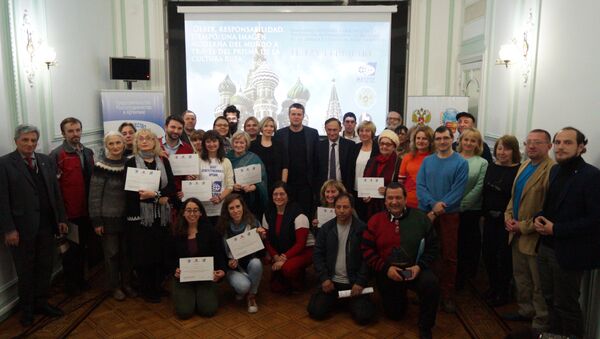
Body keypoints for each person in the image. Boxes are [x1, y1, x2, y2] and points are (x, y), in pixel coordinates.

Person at [534, 127, 600, 338]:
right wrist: (540, 216)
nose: (561, 147)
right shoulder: (555, 170)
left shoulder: (591, 176)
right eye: (558, 142)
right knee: (550, 300)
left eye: (568, 142)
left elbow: (595, 220)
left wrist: (557, 229)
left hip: (570, 252)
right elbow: (553, 207)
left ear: (581, 147)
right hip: (546, 246)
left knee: (567, 307)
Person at [0, 124, 68, 326]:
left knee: (45, 267)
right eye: (25, 140)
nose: (30, 144)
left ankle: (41, 303)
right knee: (26, 271)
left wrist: (61, 219)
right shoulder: (4, 164)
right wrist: (9, 229)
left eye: (33, 141)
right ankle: (27, 310)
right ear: (16, 141)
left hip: (47, 226)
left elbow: (56, 193)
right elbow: (2, 200)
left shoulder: (46, 161)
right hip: (21, 231)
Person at [362, 183, 440, 339]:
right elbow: (366, 250)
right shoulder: (375, 220)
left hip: (414, 270)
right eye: (390, 198)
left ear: (405, 199)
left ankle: (425, 326)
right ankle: (400, 296)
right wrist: (386, 269)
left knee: (431, 283)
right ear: (385, 201)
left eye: (398, 197)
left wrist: (419, 266)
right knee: (395, 314)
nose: (394, 202)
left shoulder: (421, 219)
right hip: (388, 272)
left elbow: (433, 248)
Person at [502, 129, 553, 334]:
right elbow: (514, 198)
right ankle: (525, 310)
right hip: (515, 232)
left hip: (534, 236)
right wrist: (508, 217)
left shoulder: (551, 170)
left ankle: (540, 323)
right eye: (528, 142)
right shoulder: (524, 165)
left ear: (549, 146)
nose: (531, 146)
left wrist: (522, 226)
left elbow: (548, 209)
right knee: (521, 276)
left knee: (538, 283)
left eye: (537, 143)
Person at [416, 125, 468, 313]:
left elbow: (458, 191)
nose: (441, 142)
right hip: (426, 213)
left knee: (448, 256)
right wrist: (431, 205)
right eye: (438, 139)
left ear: (452, 137)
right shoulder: (428, 161)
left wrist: (437, 210)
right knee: (425, 253)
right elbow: (420, 187)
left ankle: (447, 295)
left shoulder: (461, 162)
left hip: (448, 215)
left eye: (445, 138)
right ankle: (427, 291)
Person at [308, 193, 375, 325]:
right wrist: (324, 279)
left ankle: (346, 301)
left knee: (365, 317)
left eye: (346, 207)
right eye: (338, 207)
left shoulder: (362, 229)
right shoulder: (326, 228)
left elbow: (367, 259)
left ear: (352, 209)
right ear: (334, 208)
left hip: (354, 283)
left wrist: (360, 282)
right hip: (331, 282)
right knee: (315, 312)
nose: (342, 210)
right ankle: (341, 300)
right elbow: (317, 255)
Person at [125, 128, 175, 303]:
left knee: (160, 252)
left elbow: (172, 189)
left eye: (148, 138)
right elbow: (130, 194)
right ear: (136, 143)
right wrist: (157, 198)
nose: (144, 141)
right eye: (141, 139)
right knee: (144, 255)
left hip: (161, 217)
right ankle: (147, 290)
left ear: (155, 142)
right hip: (140, 218)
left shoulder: (163, 161)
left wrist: (155, 195)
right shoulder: (130, 163)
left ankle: (158, 287)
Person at [50, 117, 95, 296]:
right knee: (69, 252)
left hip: (87, 210)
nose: (75, 134)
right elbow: (54, 189)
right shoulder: (56, 155)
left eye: (77, 130)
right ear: (63, 133)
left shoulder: (88, 152)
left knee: (83, 247)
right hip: (69, 213)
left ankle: (81, 280)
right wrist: (61, 215)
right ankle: (71, 285)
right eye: (70, 131)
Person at [88, 132, 136, 301]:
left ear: (124, 144)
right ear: (106, 146)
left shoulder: (131, 163)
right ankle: (114, 286)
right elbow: (94, 196)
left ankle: (127, 284)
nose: (115, 146)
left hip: (127, 218)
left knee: (127, 253)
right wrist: (96, 220)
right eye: (111, 144)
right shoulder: (101, 166)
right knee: (112, 254)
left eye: (118, 143)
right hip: (108, 218)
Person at [170, 198, 226, 319]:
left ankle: (199, 296)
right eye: (188, 210)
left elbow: (219, 253)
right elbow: (168, 257)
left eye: (196, 210)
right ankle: (190, 296)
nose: (192, 214)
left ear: (201, 213)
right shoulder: (175, 232)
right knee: (184, 312)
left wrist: (221, 270)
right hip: (183, 278)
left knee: (208, 310)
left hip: (205, 277)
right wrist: (174, 270)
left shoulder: (210, 231)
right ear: (183, 213)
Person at [481, 135, 521, 307]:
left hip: (506, 221)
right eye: (499, 148)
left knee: (503, 259)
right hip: (489, 219)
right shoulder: (491, 167)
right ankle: (493, 287)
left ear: (514, 151)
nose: (501, 152)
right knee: (488, 255)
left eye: (506, 148)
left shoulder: (519, 170)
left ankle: (503, 292)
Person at [217, 194, 266, 313]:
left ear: (243, 207)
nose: (235, 211)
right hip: (233, 268)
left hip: (249, 263)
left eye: (238, 206)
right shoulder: (222, 227)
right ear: (227, 211)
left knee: (256, 263)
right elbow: (219, 253)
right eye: (231, 208)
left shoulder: (253, 222)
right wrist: (228, 262)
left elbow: (261, 254)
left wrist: (262, 239)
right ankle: (244, 289)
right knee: (243, 287)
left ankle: (251, 296)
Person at [262, 181, 314, 293]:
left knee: (288, 269)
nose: (278, 197)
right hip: (281, 252)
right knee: (276, 287)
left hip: (304, 251)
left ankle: (298, 280)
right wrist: (275, 256)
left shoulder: (299, 215)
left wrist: (283, 258)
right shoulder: (267, 213)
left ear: (288, 196)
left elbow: (300, 244)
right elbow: (267, 240)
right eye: (275, 194)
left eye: (282, 194)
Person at [456, 128, 488, 290]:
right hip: (451, 208)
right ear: (460, 141)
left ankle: (466, 278)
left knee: (467, 245)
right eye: (466, 139)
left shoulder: (482, 162)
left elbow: (479, 187)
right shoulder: (452, 158)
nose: (468, 143)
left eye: (473, 140)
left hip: (471, 211)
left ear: (478, 144)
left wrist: (462, 205)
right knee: (452, 245)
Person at [274, 103, 320, 216]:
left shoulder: (312, 133)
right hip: (287, 183)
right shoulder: (280, 134)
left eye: (299, 114)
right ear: (289, 116)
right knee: (287, 215)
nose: (296, 117)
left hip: (306, 184)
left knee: (305, 214)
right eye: (293, 114)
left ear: (303, 116)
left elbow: (316, 159)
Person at [227, 131, 268, 221]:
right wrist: (232, 185)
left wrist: (254, 187)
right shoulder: (227, 158)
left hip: (250, 199)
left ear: (246, 144)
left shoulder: (254, 158)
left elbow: (263, 179)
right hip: (232, 197)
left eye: (242, 142)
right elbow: (223, 177)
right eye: (236, 142)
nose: (238, 145)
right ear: (232, 143)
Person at [197, 130, 234, 226]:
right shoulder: (198, 160)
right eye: (208, 141)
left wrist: (219, 198)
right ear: (204, 144)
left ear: (219, 143)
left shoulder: (226, 161)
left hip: (220, 208)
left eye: (214, 141)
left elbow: (230, 185)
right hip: (201, 208)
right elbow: (194, 182)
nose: (211, 144)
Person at [362, 129, 400, 219]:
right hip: (371, 205)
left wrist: (388, 190)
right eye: (382, 143)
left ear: (394, 146)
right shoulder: (372, 161)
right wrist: (364, 194)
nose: (384, 146)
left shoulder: (399, 162)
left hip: (390, 206)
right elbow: (365, 181)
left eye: (388, 144)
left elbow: (402, 185)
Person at [160, 115, 194, 209]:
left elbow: (189, 174)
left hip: (179, 196)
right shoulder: (155, 145)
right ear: (166, 127)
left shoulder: (188, 149)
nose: (176, 131)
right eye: (173, 127)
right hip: (159, 195)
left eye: (179, 128)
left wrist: (189, 178)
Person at [349, 120, 379, 221]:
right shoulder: (355, 148)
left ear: (372, 133)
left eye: (367, 131)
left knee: (370, 219)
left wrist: (373, 192)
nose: (364, 133)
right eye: (361, 130)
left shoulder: (378, 149)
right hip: (355, 190)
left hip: (371, 193)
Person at [398, 125, 434, 209]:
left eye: (424, 138)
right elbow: (400, 182)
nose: (420, 141)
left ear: (431, 141)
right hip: (408, 202)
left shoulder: (436, 158)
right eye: (418, 138)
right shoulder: (407, 157)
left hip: (429, 203)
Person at [250, 116, 288, 193]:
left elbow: (285, 166)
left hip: (276, 185)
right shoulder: (252, 145)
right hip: (257, 185)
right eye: (266, 126)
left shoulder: (280, 145)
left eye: (271, 126)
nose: (269, 129)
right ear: (261, 128)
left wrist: (283, 185)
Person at [317, 118, 354, 193]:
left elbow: (351, 170)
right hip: (324, 189)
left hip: (344, 188)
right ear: (325, 129)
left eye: (334, 130)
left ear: (340, 129)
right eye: (329, 130)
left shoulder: (350, 145)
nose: (332, 133)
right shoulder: (318, 146)